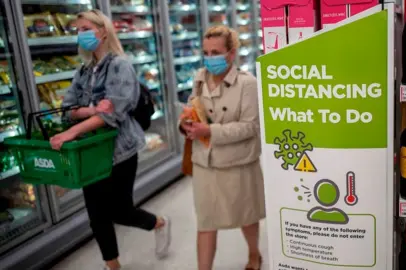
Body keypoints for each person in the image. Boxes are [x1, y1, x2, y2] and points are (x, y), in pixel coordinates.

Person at [48, 10, 170, 270]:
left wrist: (73, 130)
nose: (80, 34)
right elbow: (68, 108)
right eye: (77, 30)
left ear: (103, 31)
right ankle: (112, 265)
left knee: (120, 211)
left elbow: (113, 114)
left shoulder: (120, 66)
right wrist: (93, 110)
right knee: (96, 215)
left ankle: (158, 222)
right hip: (90, 149)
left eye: (85, 28)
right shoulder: (83, 71)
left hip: (120, 150)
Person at [179, 25, 266, 270]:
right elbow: (190, 109)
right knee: (206, 222)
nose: (210, 58)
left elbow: (250, 127)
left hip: (237, 163)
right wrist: (185, 124)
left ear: (231, 53)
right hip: (205, 162)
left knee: (246, 217)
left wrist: (210, 131)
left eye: (215, 52)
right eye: (206, 52)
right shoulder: (199, 78)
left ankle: (254, 254)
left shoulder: (247, 84)